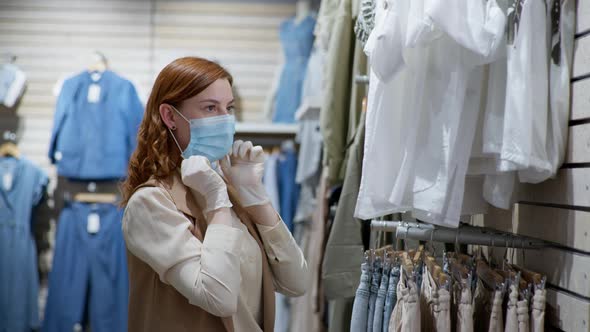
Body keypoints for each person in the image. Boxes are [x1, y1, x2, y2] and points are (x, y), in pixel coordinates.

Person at [120, 57, 309, 332]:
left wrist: (256, 198)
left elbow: (297, 282)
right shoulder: (151, 203)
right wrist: (218, 202)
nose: (224, 119)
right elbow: (218, 298)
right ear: (170, 116)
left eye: (229, 108)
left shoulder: (229, 192)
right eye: (210, 108)